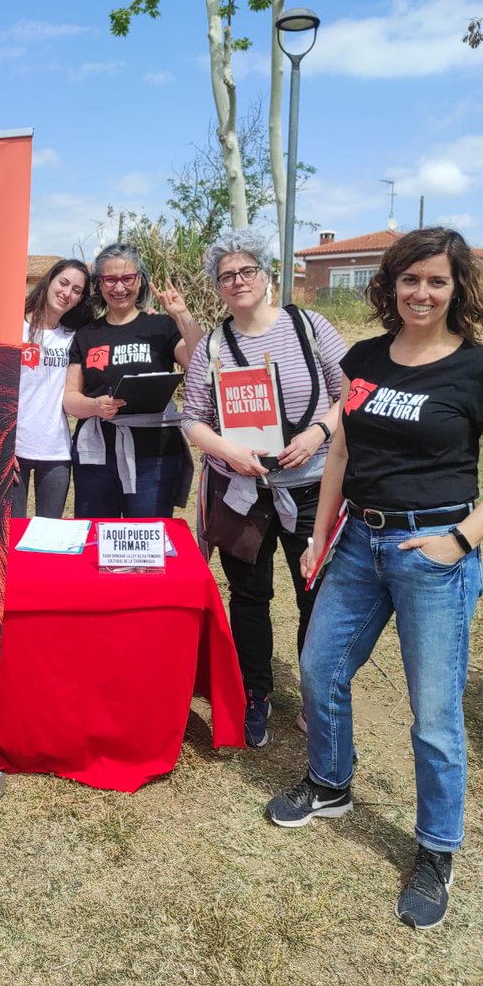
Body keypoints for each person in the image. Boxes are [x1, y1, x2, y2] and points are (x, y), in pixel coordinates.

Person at [266, 227, 483, 931]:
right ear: (389, 286)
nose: (422, 292)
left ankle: (435, 850)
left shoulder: (474, 368)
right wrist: (320, 537)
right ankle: (330, 783)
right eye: (410, 279)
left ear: (456, 289)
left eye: (437, 281)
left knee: (435, 714)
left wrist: (458, 541)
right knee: (320, 663)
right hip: (359, 538)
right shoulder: (363, 358)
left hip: (434, 549)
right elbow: (340, 455)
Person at [182, 228, 346, 749]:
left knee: (313, 594)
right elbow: (193, 419)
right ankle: (257, 692)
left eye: (246, 271)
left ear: (267, 275)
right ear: (217, 287)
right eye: (226, 276)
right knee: (249, 596)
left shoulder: (309, 325)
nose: (237, 281)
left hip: (310, 486)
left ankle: (314, 698)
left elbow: (352, 393)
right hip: (242, 493)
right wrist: (229, 451)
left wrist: (319, 432)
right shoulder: (211, 345)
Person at [63, 241, 203, 518]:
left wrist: (181, 314)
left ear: (140, 281)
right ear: (99, 284)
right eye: (110, 279)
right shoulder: (86, 334)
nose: (119, 287)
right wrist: (95, 406)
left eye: (127, 278)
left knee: (146, 540)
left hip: (156, 456)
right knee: (97, 538)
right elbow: (70, 397)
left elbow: (200, 363)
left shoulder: (161, 327)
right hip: (96, 455)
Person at [12, 258, 92, 519]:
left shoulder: (75, 335)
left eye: (77, 290)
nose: (67, 293)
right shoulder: (13, 326)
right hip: (13, 450)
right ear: (49, 281)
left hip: (56, 451)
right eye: (64, 283)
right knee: (10, 536)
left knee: (48, 536)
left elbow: (115, 327)